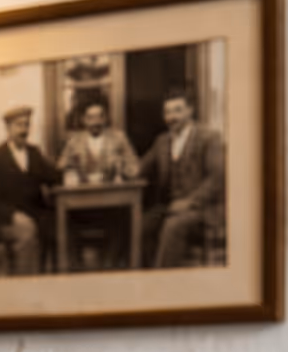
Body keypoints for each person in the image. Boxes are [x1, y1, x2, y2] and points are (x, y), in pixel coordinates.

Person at [138, 90, 225, 268]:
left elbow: (217, 178)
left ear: (190, 111)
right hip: (171, 205)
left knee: (172, 227)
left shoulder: (209, 137)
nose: (172, 117)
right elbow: (141, 168)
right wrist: (121, 167)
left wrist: (190, 202)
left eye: (177, 110)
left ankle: (162, 282)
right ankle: (146, 277)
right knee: (143, 225)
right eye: (167, 112)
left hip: (203, 208)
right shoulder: (162, 141)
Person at [0, 105, 60, 276]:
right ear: (8, 128)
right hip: (4, 220)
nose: (24, 130)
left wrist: (70, 169)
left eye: (26, 125)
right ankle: (26, 285)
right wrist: (13, 215)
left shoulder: (34, 152)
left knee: (60, 225)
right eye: (19, 125)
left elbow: (53, 176)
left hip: (36, 214)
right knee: (27, 231)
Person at [58, 100, 138, 184]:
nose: (95, 122)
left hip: (112, 188)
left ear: (105, 119)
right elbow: (61, 166)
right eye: (90, 117)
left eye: (100, 117)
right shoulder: (74, 141)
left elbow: (133, 165)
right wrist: (74, 169)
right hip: (83, 190)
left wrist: (120, 167)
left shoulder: (119, 138)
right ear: (84, 120)